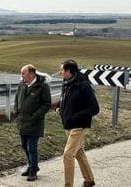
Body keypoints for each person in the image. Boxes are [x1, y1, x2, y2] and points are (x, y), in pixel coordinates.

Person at [55, 59, 99, 187]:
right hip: (68, 125)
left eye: (62, 70)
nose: (60, 72)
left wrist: (75, 117)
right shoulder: (66, 83)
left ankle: (68, 185)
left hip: (79, 125)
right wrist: (59, 108)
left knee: (68, 155)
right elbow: (64, 100)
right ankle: (89, 179)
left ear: (68, 71)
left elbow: (94, 108)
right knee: (79, 153)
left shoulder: (84, 86)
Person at [14, 64, 51, 181]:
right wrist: (17, 113)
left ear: (31, 74)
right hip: (23, 121)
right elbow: (16, 98)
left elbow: (47, 104)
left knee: (31, 147)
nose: (21, 76)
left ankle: (33, 172)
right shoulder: (22, 84)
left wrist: (35, 116)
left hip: (35, 122)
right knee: (24, 145)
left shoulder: (42, 86)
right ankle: (32, 166)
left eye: (23, 73)